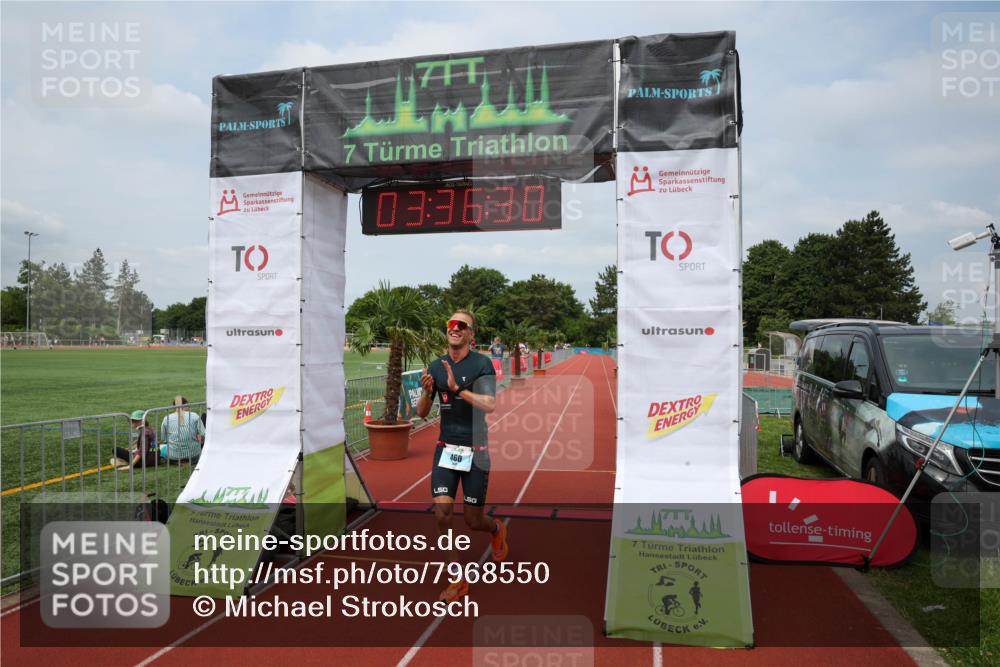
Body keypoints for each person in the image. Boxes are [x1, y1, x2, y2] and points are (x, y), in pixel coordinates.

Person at [416, 309, 508, 602]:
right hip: (445, 448)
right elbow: (421, 413)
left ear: (471, 334)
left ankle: (495, 528)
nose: (454, 328)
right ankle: (457, 579)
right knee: (442, 513)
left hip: (476, 451)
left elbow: (490, 404)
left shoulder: (482, 364)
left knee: (472, 519)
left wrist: (458, 390)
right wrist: (425, 392)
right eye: (451, 324)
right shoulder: (436, 365)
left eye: (461, 325)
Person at [159, 395, 205, 463]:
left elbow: (164, 439)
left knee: (161, 447)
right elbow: (203, 434)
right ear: (186, 405)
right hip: (194, 455)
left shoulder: (166, 418)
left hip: (174, 456)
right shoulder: (194, 415)